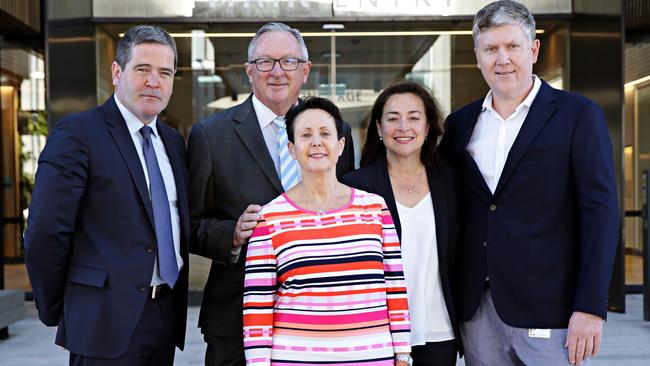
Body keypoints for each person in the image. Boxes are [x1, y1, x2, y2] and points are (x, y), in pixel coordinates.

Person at [438, 1, 620, 365]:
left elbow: (600, 214)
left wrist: (591, 306)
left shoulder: (578, 115)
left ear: (533, 50)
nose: (502, 59)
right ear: (477, 57)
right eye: (490, 49)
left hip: (550, 310)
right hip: (478, 311)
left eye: (512, 46)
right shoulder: (460, 124)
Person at [187, 22, 355, 365]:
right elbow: (190, 225)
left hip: (323, 313)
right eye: (265, 62)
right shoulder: (210, 135)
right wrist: (231, 233)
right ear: (250, 71)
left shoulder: (336, 132)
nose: (277, 72)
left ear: (305, 70)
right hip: (236, 316)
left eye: (289, 62)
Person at [24, 25, 189, 365]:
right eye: (142, 69)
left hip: (164, 316)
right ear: (117, 72)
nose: (154, 81)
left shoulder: (172, 142)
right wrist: (62, 305)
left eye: (165, 72)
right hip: (103, 321)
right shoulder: (79, 134)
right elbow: (45, 232)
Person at [242, 96, 411, 365]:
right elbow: (257, 306)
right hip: (294, 359)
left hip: (371, 358)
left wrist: (403, 355)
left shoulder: (375, 209)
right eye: (305, 135)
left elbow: (395, 287)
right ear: (291, 148)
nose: (316, 142)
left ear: (341, 144)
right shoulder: (269, 218)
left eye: (325, 133)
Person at [342, 80, 461, 365]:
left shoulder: (451, 181)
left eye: (414, 118)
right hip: (377, 330)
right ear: (379, 129)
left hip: (438, 330)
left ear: (428, 127)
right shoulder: (356, 187)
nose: (404, 127)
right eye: (393, 119)